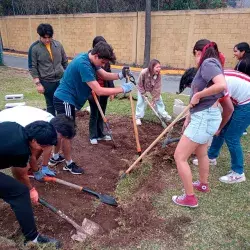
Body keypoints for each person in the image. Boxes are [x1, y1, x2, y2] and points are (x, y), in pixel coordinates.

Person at [53, 41, 134, 174]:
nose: (103, 66)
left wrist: (120, 75)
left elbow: (103, 75)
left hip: (65, 99)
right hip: (65, 100)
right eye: (102, 62)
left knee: (61, 132)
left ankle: (55, 157)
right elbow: (99, 90)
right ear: (96, 55)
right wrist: (122, 89)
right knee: (68, 133)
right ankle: (68, 164)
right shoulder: (83, 64)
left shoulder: (89, 58)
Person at [172, 39, 227, 208]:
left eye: (195, 55)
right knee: (202, 153)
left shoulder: (208, 63)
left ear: (198, 52)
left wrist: (199, 95)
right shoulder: (214, 63)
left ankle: (189, 198)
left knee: (179, 157)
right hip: (207, 115)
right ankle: (203, 184)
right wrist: (189, 116)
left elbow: (221, 85)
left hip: (204, 117)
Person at [182, 69, 250, 184]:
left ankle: (238, 173)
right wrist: (188, 117)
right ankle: (211, 157)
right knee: (222, 130)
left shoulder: (218, 85)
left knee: (231, 136)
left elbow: (228, 109)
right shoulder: (212, 78)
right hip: (240, 99)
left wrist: (219, 128)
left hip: (247, 103)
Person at [0, 121, 61, 248]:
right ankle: (33, 238)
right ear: (33, 141)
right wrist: (31, 190)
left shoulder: (15, 127)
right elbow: (20, 174)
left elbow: (31, 156)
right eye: (43, 146)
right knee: (19, 192)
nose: (44, 149)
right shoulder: (20, 151)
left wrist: (37, 171)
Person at [0, 105, 76, 200]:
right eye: (62, 137)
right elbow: (27, 156)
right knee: (19, 161)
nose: (61, 139)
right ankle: (20, 185)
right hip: (5, 123)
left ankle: (30, 170)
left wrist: (38, 170)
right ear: (58, 132)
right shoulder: (31, 133)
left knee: (35, 148)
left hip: (12, 124)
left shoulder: (51, 125)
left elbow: (40, 149)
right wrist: (30, 189)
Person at [28, 23, 68, 116]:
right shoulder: (34, 48)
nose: (47, 40)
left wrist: (66, 76)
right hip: (47, 82)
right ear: (40, 36)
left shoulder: (58, 45)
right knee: (51, 105)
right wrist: (38, 84)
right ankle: (52, 126)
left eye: (49, 37)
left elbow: (65, 61)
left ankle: (63, 126)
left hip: (61, 80)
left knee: (63, 103)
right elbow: (32, 67)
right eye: (44, 37)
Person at [88, 36, 115, 145]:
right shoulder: (89, 60)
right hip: (93, 91)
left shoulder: (105, 59)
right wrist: (91, 90)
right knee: (94, 113)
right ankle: (93, 135)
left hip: (104, 90)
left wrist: (112, 90)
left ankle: (101, 133)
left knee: (102, 112)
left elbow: (108, 74)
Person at [135, 59, 171, 126]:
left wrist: (154, 100)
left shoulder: (158, 75)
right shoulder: (143, 72)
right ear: (152, 67)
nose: (159, 69)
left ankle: (164, 115)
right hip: (142, 87)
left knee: (159, 100)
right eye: (157, 67)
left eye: (160, 67)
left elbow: (157, 88)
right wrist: (143, 93)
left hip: (152, 88)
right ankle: (138, 117)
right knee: (140, 101)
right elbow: (139, 84)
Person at [233, 42, 250, 135]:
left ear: (243, 51)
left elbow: (237, 77)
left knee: (239, 108)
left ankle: (240, 129)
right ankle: (243, 128)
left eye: (236, 51)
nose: (234, 53)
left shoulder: (243, 63)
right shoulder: (246, 61)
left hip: (244, 91)